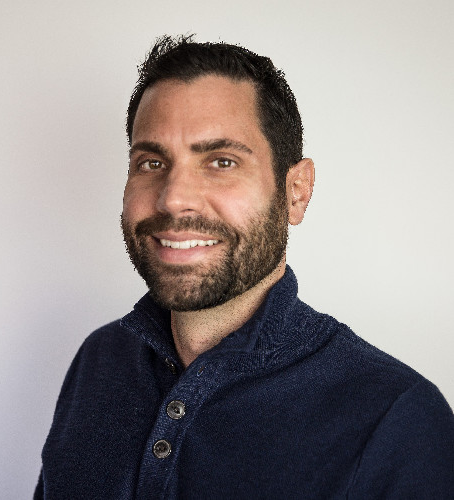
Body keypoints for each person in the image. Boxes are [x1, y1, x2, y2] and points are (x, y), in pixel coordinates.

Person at [35, 35, 454, 499]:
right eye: (151, 162)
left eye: (221, 161)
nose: (173, 198)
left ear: (296, 192)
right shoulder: (100, 360)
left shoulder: (398, 420)